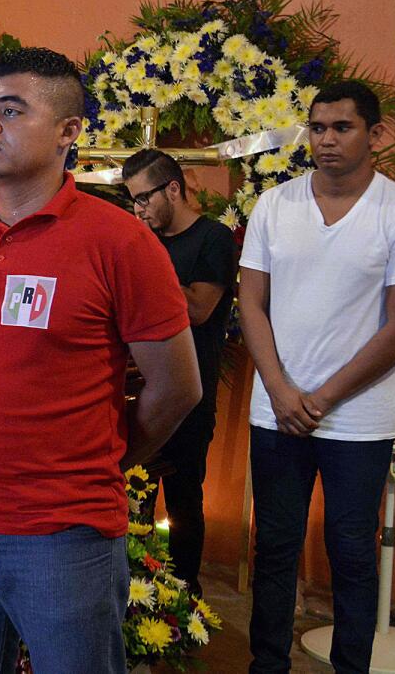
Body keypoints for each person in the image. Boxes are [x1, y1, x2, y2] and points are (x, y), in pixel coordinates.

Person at [0, 47, 202, 673]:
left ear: (69, 132)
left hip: (62, 535)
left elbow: (178, 385)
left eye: (12, 110)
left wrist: (107, 457)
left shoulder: (120, 241)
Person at [239, 80, 395, 674]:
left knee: (354, 555)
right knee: (274, 549)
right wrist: (282, 390)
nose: (327, 139)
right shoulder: (275, 205)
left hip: (357, 417)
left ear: (375, 134)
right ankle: (267, 664)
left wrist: (324, 397)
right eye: (318, 128)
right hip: (276, 411)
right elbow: (251, 303)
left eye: (343, 127)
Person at [122, 148, 236, 597]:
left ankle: (185, 597)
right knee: (135, 500)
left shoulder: (213, 239)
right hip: (138, 390)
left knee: (185, 499)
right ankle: (136, 593)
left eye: (145, 198)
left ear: (173, 188)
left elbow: (200, 308)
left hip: (191, 392)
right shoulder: (145, 238)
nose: (139, 209)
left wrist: (145, 265)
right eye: (132, 201)